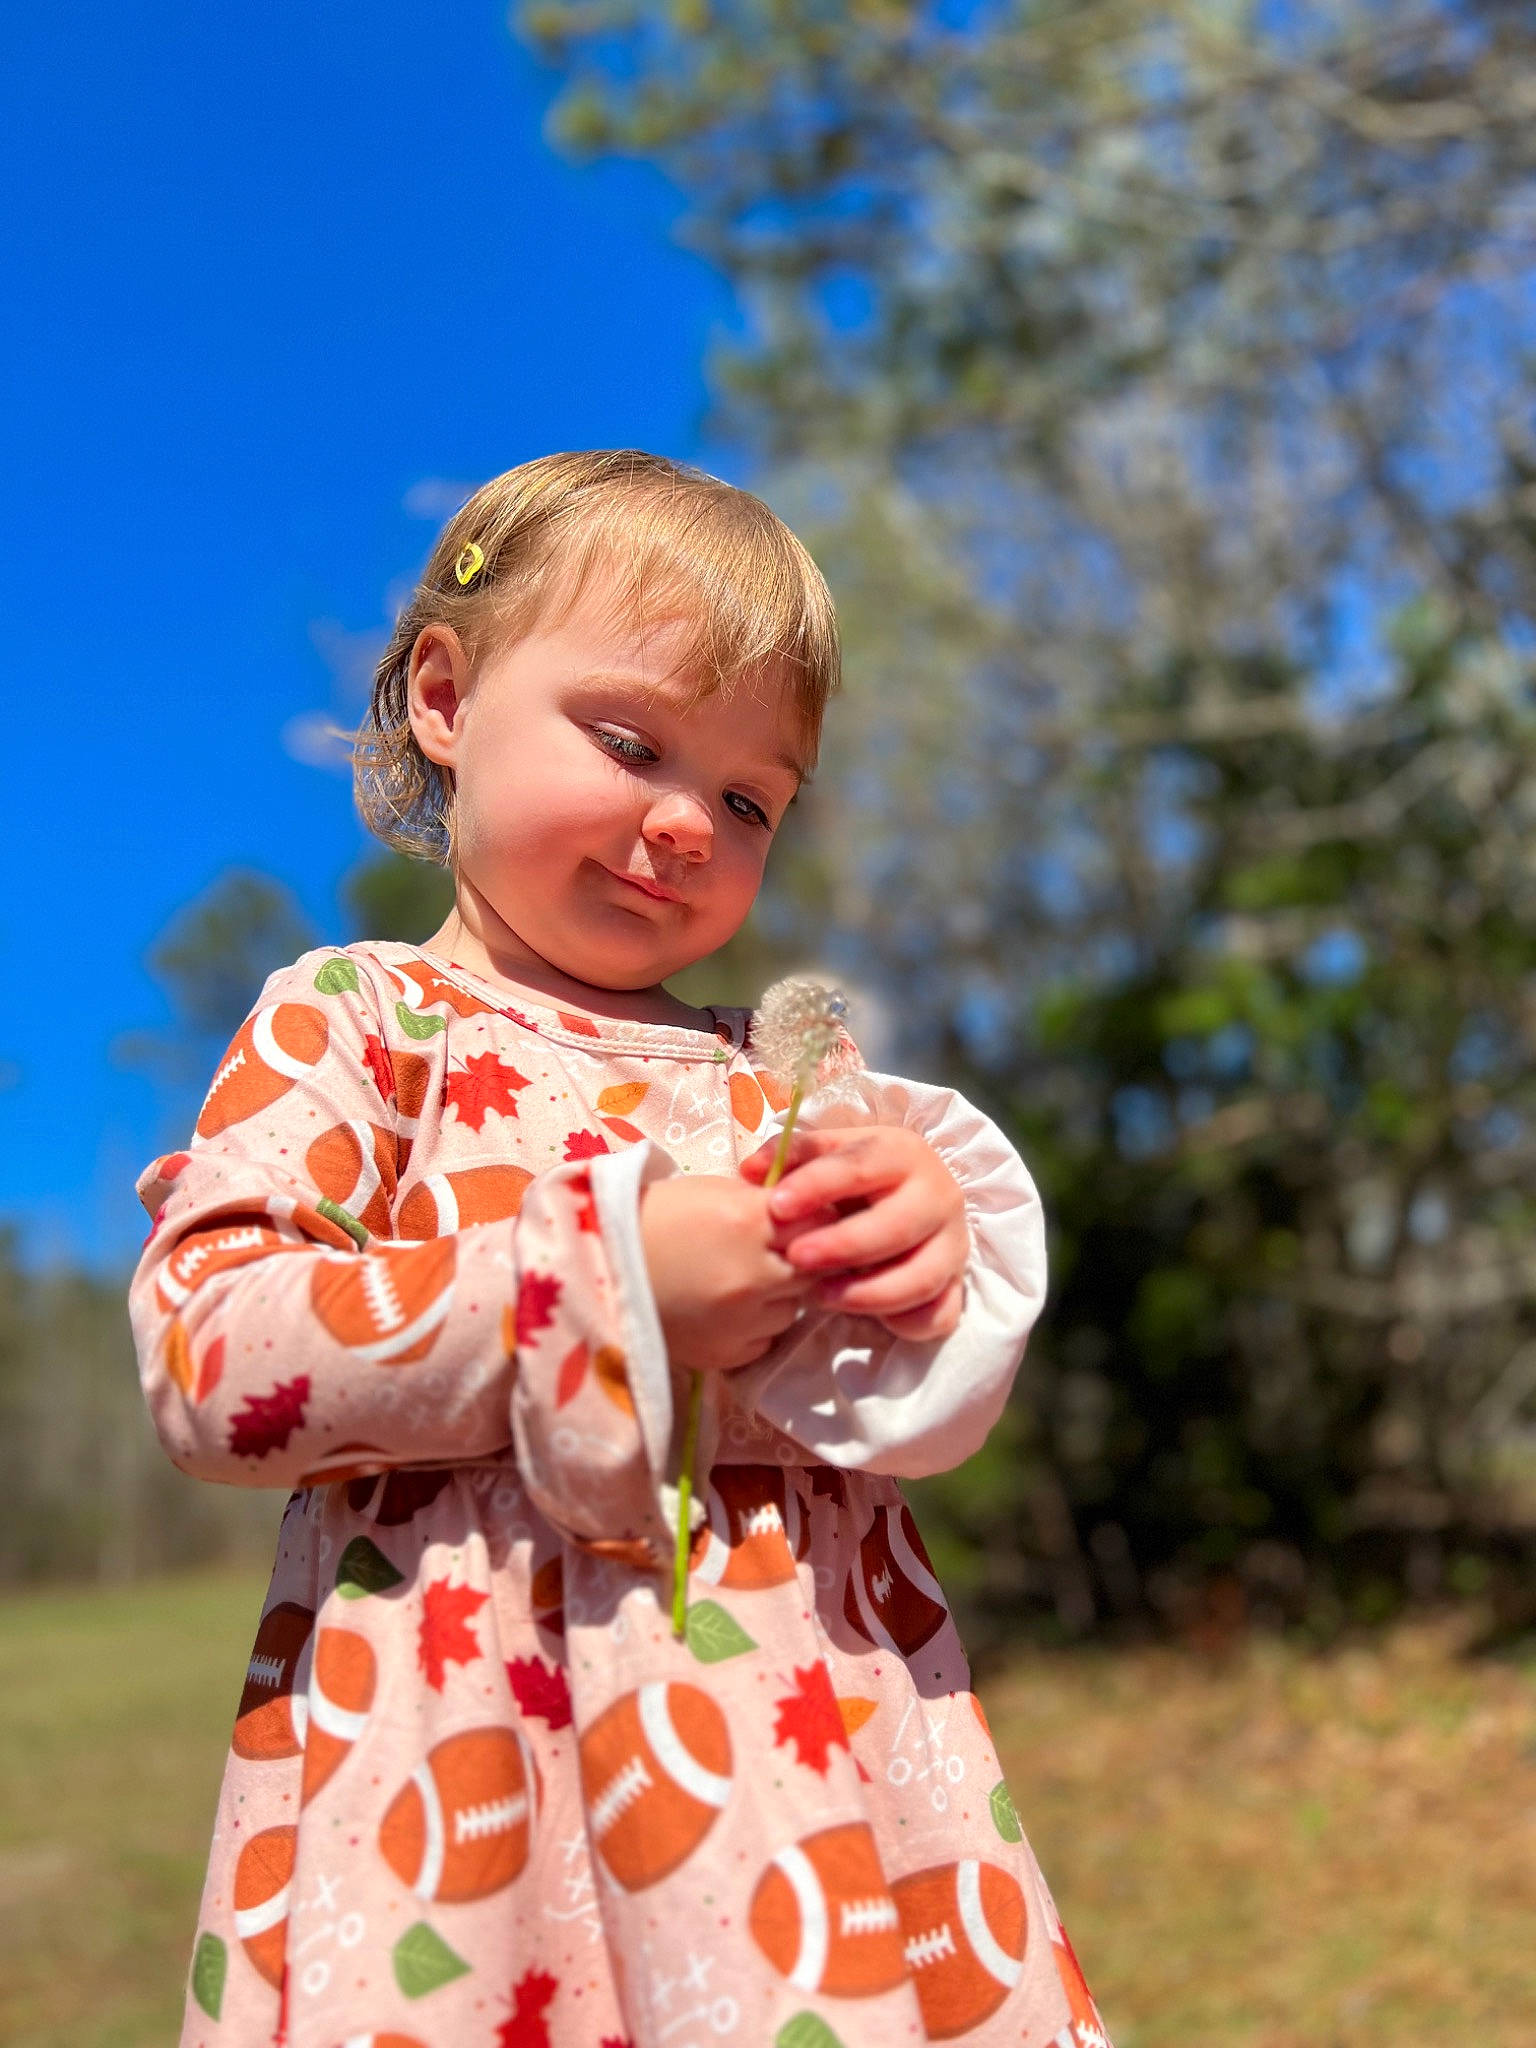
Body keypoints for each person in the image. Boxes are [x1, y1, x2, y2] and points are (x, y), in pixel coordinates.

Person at [129, 449, 1111, 2048]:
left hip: (816, 1755)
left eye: (746, 800)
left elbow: (914, 1404)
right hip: (466, 1759)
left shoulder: (768, 1078)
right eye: (632, 742)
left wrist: (927, 1246)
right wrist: (600, 1283)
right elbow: (208, 1352)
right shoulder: (365, 1024)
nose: (683, 826)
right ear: (448, 700)